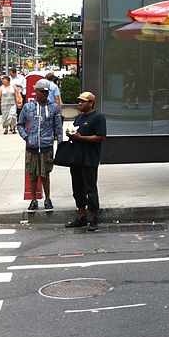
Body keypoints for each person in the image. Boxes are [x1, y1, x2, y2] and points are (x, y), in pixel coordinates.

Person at [18, 79, 63, 213]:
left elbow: (58, 127)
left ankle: (48, 199)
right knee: (32, 174)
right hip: (31, 146)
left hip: (46, 145)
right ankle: (33, 199)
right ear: (36, 91)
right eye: (41, 92)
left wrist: (60, 143)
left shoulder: (53, 107)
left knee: (45, 174)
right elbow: (20, 124)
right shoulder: (28, 107)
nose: (44, 94)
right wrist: (26, 137)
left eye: (46, 92)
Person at [65, 91, 107, 232]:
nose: (80, 104)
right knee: (77, 189)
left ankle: (93, 218)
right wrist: (71, 135)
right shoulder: (78, 118)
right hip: (76, 158)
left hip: (89, 158)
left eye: (83, 101)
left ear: (91, 103)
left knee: (90, 189)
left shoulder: (98, 117)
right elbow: (76, 135)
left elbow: (101, 137)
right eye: (79, 101)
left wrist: (81, 138)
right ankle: (81, 216)